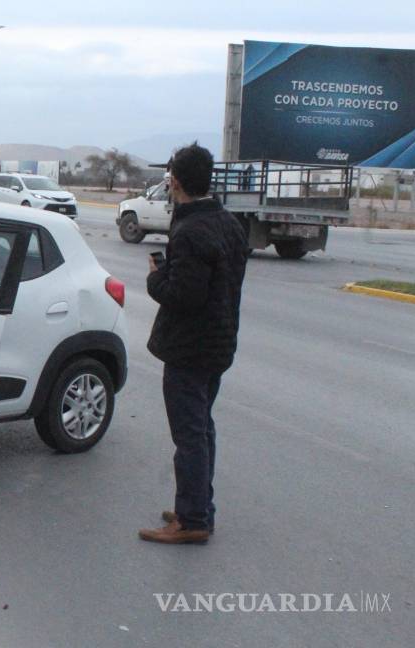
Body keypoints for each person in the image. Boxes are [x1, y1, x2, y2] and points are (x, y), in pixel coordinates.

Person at [138, 143, 248, 545]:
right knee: (202, 430)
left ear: (176, 181)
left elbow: (184, 296)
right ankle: (198, 507)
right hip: (219, 345)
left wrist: (156, 277)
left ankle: (192, 521)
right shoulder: (228, 223)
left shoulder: (191, 231)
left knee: (189, 436)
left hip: (190, 349)